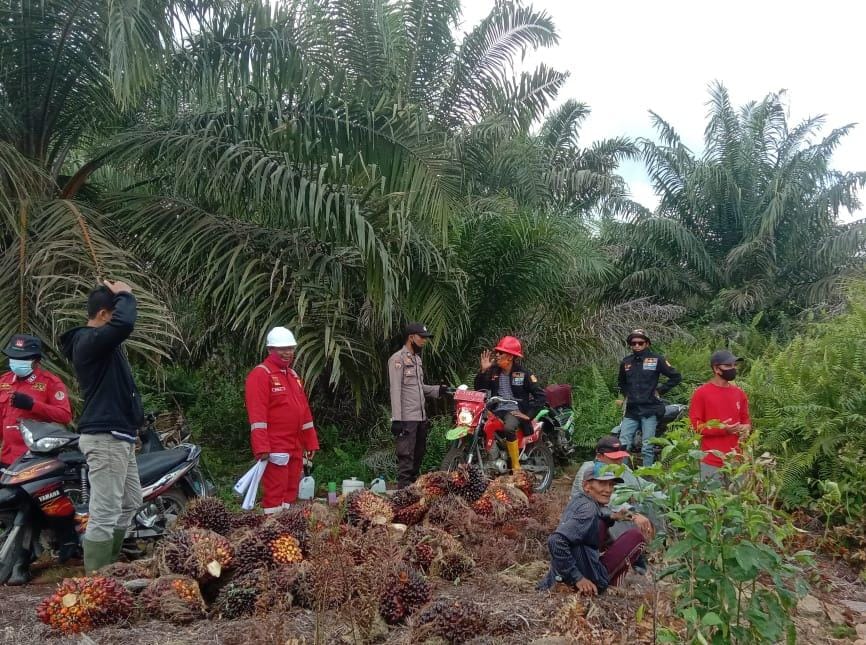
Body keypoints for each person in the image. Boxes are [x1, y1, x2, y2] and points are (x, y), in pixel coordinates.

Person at [60, 281, 145, 573]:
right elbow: (124, 324)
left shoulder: (102, 346)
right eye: (115, 311)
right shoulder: (88, 341)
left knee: (131, 501)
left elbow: (120, 327)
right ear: (104, 314)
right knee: (105, 510)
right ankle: (95, 581)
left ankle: (108, 566)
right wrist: (126, 294)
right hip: (105, 437)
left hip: (120, 435)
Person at [538, 463, 652, 595]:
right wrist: (578, 578)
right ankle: (610, 587)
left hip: (563, 574)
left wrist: (614, 516)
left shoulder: (580, 500)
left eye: (611, 485)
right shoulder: (589, 511)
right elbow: (556, 541)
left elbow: (598, 517)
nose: (608, 489)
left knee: (602, 523)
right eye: (602, 484)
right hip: (587, 579)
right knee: (636, 536)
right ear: (587, 486)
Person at [245, 326, 319, 513]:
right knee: (275, 492)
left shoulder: (292, 375)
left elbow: (304, 412)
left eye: (290, 348)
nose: (288, 353)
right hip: (275, 446)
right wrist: (261, 447)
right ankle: (273, 531)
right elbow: (257, 416)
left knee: (291, 491)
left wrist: (310, 442)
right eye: (282, 349)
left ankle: (288, 529)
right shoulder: (261, 374)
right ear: (270, 350)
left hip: (295, 445)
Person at [474, 336, 546, 472]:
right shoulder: (493, 371)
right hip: (496, 409)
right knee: (479, 425)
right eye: (497, 352)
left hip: (514, 410)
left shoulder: (524, 374)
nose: (497, 355)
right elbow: (480, 389)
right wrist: (483, 371)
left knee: (509, 428)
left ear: (510, 357)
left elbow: (541, 396)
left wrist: (528, 415)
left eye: (501, 352)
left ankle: (515, 466)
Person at [1, 334, 73, 468]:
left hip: (36, 459)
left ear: (36, 360)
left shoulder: (50, 383)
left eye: (22, 358)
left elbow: (65, 415)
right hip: (7, 458)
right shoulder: (4, 381)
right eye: (14, 357)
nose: (16, 361)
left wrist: (33, 405)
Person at [388, 322, 446, 489]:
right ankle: (403, 494)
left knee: (419, 454)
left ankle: (412, 491)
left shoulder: (417, 360)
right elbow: (396, 390)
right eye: (422, 337)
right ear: (411, 337)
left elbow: (419, 387)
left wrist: (438, 390)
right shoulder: (397, 359)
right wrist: (397, 419)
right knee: (406, 458)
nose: (424, 341)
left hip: (420, 417)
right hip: (407, 418)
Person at [617, 329, 681, 466]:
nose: (637, 346)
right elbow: (621, 383)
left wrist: (660, 390)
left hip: (650, 409)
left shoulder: (657, 359)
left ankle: (647, 478)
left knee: (647, 447)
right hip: (632, 410)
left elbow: (676, 376)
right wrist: (627, 394)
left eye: (640, 343)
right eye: (633, 343)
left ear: (647, 343)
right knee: (623, 445)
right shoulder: (626, 362)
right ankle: (622, 477)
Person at [689, 349, 751, 482]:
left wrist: (746, 428)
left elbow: (745, 418)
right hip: (711, 461)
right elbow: (696, 426)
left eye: (734, 365)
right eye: (728, 366)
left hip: (737, 460)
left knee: (738, 500)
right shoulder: (701, 393)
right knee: (712, 500)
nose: (733, 369)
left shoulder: (739, 393)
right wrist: (723, 429)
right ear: (716, 369)